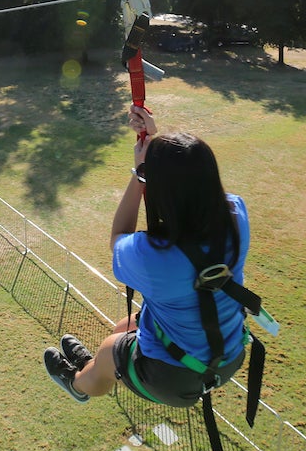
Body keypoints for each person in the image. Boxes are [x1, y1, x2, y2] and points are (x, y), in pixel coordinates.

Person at [44, 107, 251, 407]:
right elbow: (188, 175)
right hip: (228, 353)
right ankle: (96, 365)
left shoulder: (153, 255)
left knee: (109, 350)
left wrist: (139, 173)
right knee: (123, 328)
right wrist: (154, 144)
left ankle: (78, 383)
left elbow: (118, 238)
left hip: (172, 376)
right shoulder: (235, 215)